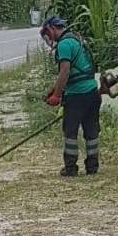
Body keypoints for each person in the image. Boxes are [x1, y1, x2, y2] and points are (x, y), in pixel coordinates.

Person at [41, 16, 102, 177]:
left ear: (52, 29)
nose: (49, 39)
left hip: (77, 95)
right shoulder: (76, 40)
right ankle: (92, 166)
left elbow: (65, 71)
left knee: (70, 133)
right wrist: (53, 89)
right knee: (91, 131)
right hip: (92, 92)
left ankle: (70, 168)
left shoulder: (64, 45)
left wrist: (56, 95)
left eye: (48, 34)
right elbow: (77, 70)